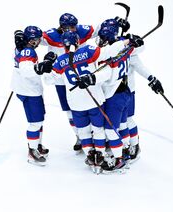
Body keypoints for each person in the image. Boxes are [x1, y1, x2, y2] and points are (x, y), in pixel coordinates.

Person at [15, 14, 130, 151]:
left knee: (95, 107)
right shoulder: (51, 35)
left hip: (84, 77)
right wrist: (19, 34)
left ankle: (96, 138)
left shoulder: (82, 31)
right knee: (72, 112)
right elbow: (34, 38)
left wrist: (114, 22)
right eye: (66, 27)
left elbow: (101, 29)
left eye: (73, 26)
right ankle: (82, 137)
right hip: (61, 79)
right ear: (61, 27)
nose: (70, 29)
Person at [51, 30, 136, 173]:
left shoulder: (59, 61)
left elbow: (49, 79)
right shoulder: (88, 51)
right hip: (94, 99)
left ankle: (91, 155)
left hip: (76, 104)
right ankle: (101, 154)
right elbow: (108, 51)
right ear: (77, 41)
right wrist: (127, 42)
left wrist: (47, 65)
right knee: (99, 129)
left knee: (84, 132)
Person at [98, 23, 144, 172]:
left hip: (114, 95)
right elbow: (135, 47)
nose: (101, 40)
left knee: (111, 130)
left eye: (104, 38)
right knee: (123, 124)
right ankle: (125, 151)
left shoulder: (110, 53)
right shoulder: (124, 50)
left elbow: (103, 76)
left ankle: (119, 159)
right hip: (125, 91)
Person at [11, 25, 57, 166]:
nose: (38, 42)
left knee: (39, 120)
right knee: (35, 122)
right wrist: (42, 66)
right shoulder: (28, 52)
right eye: (36, 39)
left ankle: (37, 145)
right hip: (29, 91)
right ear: (31, 40)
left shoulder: (22, 48)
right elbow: (26, 70)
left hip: (29, 90)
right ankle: (32, 151)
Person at [125, 52, 164, 162]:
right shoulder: (106, 47)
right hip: (109, 91)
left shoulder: (128, 49)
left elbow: (139, 66)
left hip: (126, 91)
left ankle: (134, 145)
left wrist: (152, 78)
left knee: (127, 119)